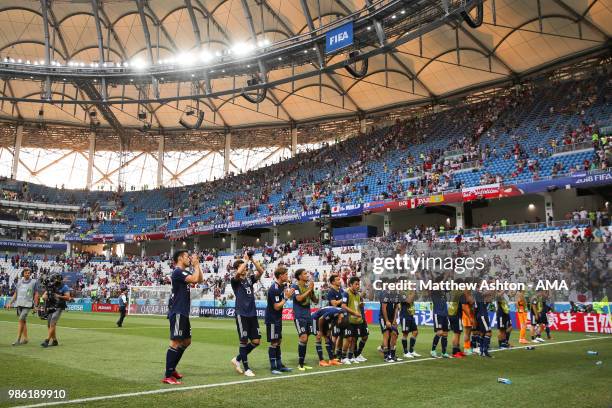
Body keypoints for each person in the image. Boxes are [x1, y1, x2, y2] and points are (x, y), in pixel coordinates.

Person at [162, 250, 203, 384]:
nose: (189, 259)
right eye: (187, 256)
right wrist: (196, 265)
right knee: (175, 342)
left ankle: (172, 368)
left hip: (183, 312)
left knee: (186, 341)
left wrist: (198, 265)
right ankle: (168, 375)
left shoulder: (184, 272)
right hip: (178, 311)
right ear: (180, 258)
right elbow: (195, 279)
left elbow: (199, 279)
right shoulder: (178, 272)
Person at [230, 252, 265, 377]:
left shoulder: (249, 279)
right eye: (243, 266)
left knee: (256, 341)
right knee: (244, 340)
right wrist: (245, 261)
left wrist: (252, 259)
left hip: (252, 313)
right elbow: (238, 273)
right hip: (241, 313)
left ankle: (237, 358)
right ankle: (247, 368)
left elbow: (261, 272)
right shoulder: (235, 281)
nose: (245, 268)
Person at [264, 266, 294, 374]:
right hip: (272, 319)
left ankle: (280, 365)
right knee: (274, 342)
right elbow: (277, 306)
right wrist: (286, 297)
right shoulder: (274, 288)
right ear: (280, 276)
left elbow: (288, 284)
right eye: (286, 274)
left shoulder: (281, 286)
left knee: (279, 341)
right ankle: (273, 367)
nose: (287, 276)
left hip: (277, 318)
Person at [292, 268, 318, 371]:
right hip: (299, 316)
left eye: (307, 273)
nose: (307, 275)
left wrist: (312, 290)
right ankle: (300, 364)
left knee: (306, 339)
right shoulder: (295, 286)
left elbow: (315, 301)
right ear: (299, 276)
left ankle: (302, 362)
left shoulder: (308, 287)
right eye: (304, 274)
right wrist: (309, 290)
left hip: (308, 316)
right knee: (303, 337)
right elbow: (299, 298)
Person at [5, 267, 38, 345]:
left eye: (29, 273)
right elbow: (16, 294)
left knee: (21, 319)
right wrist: (10, 302)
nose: (27, 274)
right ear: (23, 273)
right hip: (19, 304)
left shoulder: (34, 282)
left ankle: (18, 339)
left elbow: (36, 294)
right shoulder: (19, 282)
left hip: (28, 304)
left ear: (30, 274)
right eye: (26, 273)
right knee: (23, 321)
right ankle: (25, 339)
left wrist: (36, 305)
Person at [41, 273, 71, 348]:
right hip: (51, 305)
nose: (53, 280)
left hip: (59, 306)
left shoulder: (64, 286)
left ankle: (47, 340)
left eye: (54, 279)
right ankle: (54, 340)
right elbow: (44, 295)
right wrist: (45, 296)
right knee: (49, 324)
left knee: (53, 322)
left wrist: (59, 296)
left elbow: (68, 297)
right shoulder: (51, 286)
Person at [340, 277, 364, 364]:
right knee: (349, 339)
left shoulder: (358, 295)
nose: (358, 286)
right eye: (356, 284)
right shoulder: (346, 293)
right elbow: (343, 306)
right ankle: (343, 357)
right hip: (348, 320)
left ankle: (350, 357)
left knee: (354, 339)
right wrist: (354, 313)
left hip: (357, 320)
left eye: (358, 284)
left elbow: (357, 306)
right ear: (350, 285)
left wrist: (361, 306)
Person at [378, 288, 400, 362]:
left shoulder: (397, 295)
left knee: (394, 334)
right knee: (386, 335)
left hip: (391, 318)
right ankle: (386, 356)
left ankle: (392, 355)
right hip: (383, 318)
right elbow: (383, 308)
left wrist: (394, 320)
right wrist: (387, 321)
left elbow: (396, 308)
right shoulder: (386, 294)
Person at [326, 274, 344, 361]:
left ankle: (338, 353)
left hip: (342, 315)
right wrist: (343, 299)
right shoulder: (331, 292)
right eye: (337, 280)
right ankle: (332, 355)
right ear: (333, 282)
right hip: (334, 316)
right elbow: (334, 304)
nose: (339, 281)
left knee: (341, 335)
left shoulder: (341, 290)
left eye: (339, 279)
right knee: (335, 335)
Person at [399, 289, 420, 358]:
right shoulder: (402, 293)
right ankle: (405, 352)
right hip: (405, 316)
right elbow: (409, 301)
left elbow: (416, 298)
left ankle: (411, 351)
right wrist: (413, 291)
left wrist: (414, 292)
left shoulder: (408, 292)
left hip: (411, 315)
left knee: (415, 332)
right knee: (405, 334)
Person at [430, 288, 450, 358]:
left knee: (445, 334)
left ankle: (444, 352)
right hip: (438, 314)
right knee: (440, 332)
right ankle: (433, 351)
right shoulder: (434, 293)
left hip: (445, 315)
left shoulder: (443, 294)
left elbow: (449, 288)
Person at [474, 288, 493, 358]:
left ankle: (482, 351)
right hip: (483, 316)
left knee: (482, 333)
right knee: (489, 332)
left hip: (482, 316)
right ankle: (484, 351)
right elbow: (486, 293)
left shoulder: (482, 299)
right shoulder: (478, 294)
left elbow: (489, 299)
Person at [447, 287, 464, 358]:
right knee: (456, 333)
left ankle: (458, 350)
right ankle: (455, 351)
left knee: (457, 333)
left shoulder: (451, 292)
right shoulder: (459, 293)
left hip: (451, 314)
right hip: (456, 315)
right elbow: (463, 305)